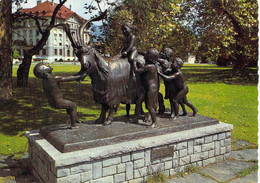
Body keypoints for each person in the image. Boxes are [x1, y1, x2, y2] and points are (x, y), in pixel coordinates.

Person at [33, 63, 87, 129]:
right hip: (58, 102)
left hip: (52, 103)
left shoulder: (44, 81)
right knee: (73, 106)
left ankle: (76, 120)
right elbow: (68, 78)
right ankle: (73, 125)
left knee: (69, 107)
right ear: (45, 72)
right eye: (46, 66)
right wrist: (80, 76)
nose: (48, 65)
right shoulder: (54, 78)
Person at [133, 48, 160, 128]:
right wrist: (138, 51)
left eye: (147, 55)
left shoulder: (149, 66)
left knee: (149, 106)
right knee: (138, 102)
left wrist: (134, 62)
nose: (144, 56)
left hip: (151, 88)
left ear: (150, 58)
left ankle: (155, 122)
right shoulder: (153, 65)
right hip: (146, 87)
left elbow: (136, 71)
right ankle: (136, 117)